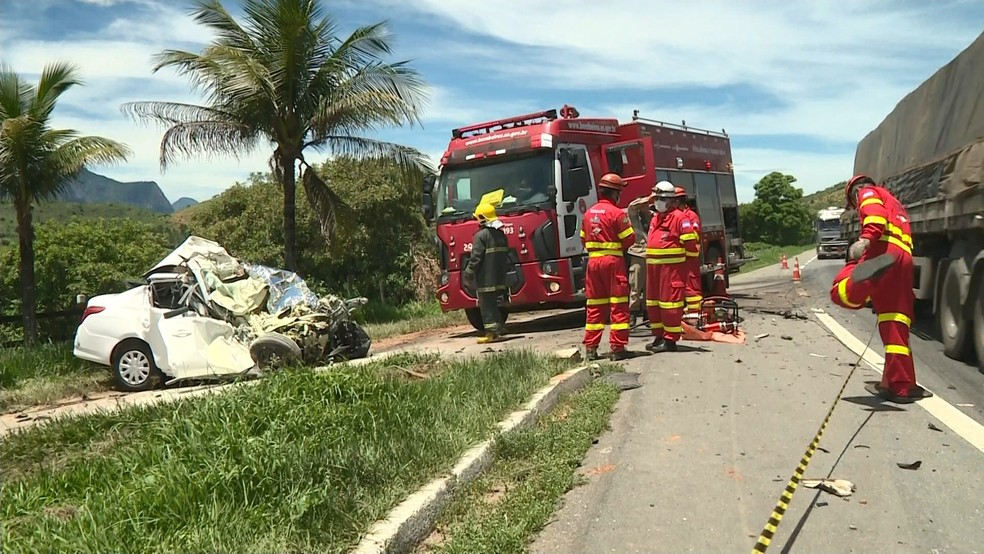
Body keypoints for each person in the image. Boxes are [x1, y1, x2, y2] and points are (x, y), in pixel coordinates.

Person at [830, 174, 931, 403]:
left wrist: (866, 239)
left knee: (839, 292)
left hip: (882, 252)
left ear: (854, 194)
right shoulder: (895, 203)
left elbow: (875, 215)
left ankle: (861, 286)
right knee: (896, 323)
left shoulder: (867, 193)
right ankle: (901, 384)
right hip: (904, 260)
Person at [580, 173, 636, 361]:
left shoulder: (588, 214)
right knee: (618, 305)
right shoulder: (617, 213)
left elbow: (582, 238)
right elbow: (629, 239)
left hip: (593, 264)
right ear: (615, 193)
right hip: (612, 263)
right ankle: (617, 349)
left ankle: (591, 348)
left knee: (595, 306)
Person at [646, 181, 699, 353]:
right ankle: (659, 336)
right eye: (656, 198)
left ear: (671, 201)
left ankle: (670, 341)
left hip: (671, 270)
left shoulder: (680, 218)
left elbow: (691, 244)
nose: (657, 202)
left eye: (661, 199)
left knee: (670, 305)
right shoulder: (656, 218)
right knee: (653, 305)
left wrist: (685, 266)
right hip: (653, 270)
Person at [463, 202, 511, 344]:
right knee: (496, 304)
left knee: (487, 305)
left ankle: (491, 333)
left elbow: (476, 257)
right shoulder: (500, 234)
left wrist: (469, 272)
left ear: (481, 217)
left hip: (486, 279)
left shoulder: (480, 236)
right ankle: (500, 329)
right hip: (499, 277)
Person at [626, 192, 656, 323]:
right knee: (635, 285)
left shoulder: (654, 217)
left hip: (652, 255)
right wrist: (647, 199)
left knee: (650, 287)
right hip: (638, 254)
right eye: (643, 205)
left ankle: (647, 312)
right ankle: (632, 312)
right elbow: (631, 206)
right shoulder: (634, 217)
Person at [675, 187, 703, 313]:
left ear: (677, 201)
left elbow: (694, 235)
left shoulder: (691, 216)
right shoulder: (676, 216)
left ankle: (695, 314)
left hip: (690, 257)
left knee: (691, 286)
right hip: (680, 257)